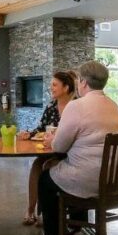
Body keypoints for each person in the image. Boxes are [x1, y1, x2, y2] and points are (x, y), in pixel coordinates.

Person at [37, 60, 118, 235]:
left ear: (83, 82)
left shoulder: (76, 106)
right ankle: (75, 230)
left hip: (88, 180)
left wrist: (51, 140)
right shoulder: (114, 107)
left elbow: (60, 147)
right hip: (112, 179)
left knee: (46, 180)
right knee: (75, 171)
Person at [22, 71, 77, 225]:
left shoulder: (77, 106)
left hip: (71, 154)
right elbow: (41, 128)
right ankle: (30, 209)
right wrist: (29, 133)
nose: (50, 88)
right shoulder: (51, 106)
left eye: (54, 85)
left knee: (46, 166)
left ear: (65, 87)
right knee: (37, 165)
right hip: (52, 150)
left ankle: (46, 212)